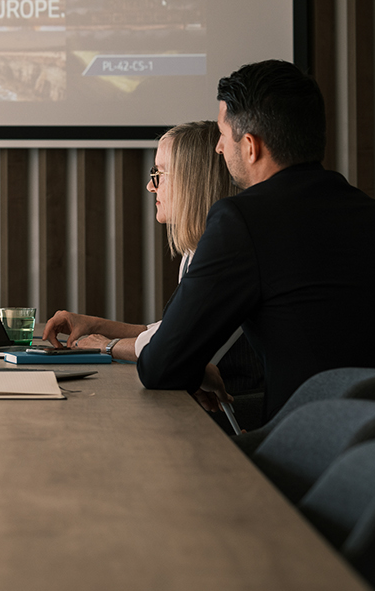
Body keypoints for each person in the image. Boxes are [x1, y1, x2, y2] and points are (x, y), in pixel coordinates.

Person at [136, 60, 375, 422]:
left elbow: (161, 368)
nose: (217, 149)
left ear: (250, 147)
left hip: (304, 451)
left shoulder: (240, 221)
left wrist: (189, 366)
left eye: (222, 136)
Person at [42, 120, 258, 413]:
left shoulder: (226, 255)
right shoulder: (197, 250)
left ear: (190, 181)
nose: (150, 186)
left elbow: (170, 349)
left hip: (241, 415)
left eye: (158, 174)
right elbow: (166, 331)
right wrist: (93, 325)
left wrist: (105, 345)